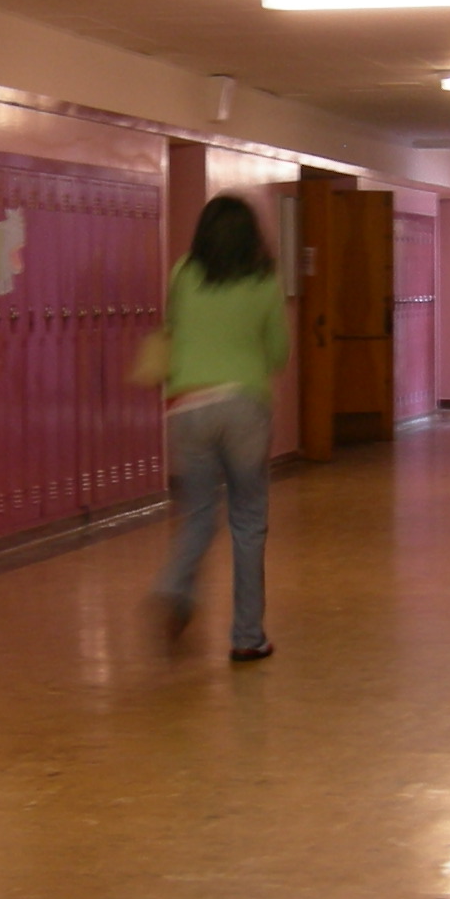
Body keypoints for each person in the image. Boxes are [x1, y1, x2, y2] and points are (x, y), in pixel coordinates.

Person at [150, 194, 290, 662]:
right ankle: (247, 637)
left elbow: (172, 330)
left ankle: (174, 586)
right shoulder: (264, 277)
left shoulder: (182, 272)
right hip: (243, 405)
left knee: (198, 512)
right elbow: (277, 350)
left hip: (187, 404)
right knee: (248, 521)